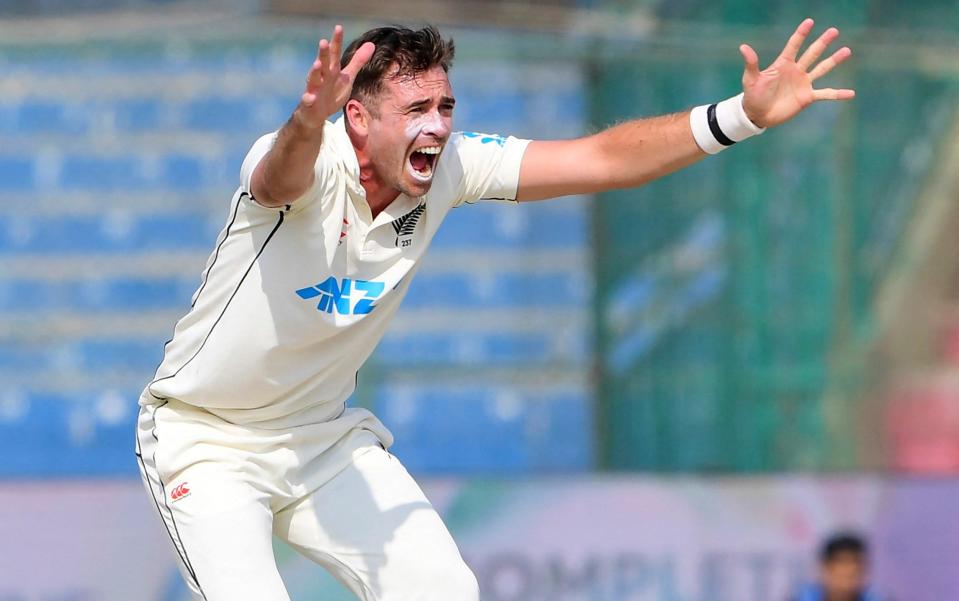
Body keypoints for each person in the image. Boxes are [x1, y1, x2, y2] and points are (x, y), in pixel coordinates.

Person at [134, 21, 855, 601]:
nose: (439, 125)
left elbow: (600, 159)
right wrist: (302, 121)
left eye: (446, 106)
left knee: (443, 587)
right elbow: (273, 176)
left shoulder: (449, 167)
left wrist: (739, 117)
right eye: (416, 109)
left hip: (320, 438)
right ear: (355, 116)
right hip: (208, 438)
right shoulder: (306, 159)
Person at [792, 532, 885, 601]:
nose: (850, 569)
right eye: (842, 562)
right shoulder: (800, 598)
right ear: (824, 567)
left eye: (856, 562)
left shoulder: (879, 598)